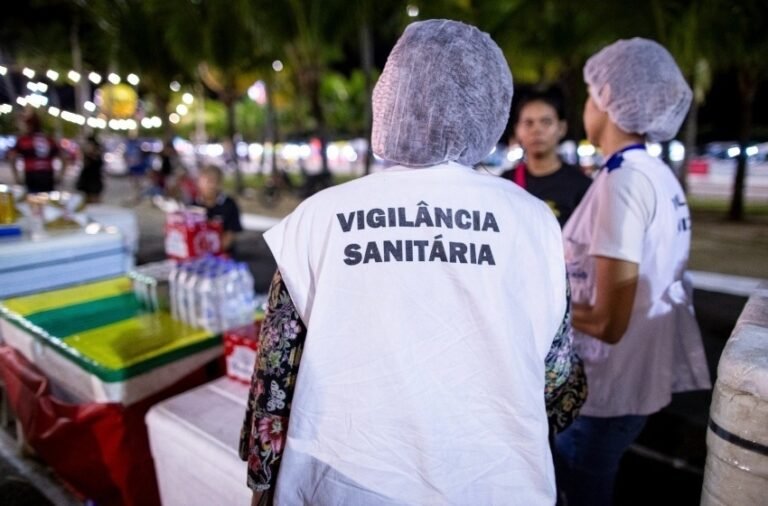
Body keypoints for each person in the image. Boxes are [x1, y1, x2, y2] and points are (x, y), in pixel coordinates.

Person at [239, 19, 584, 505]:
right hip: (494, 483)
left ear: (390, 99)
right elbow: (557, 379)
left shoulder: (319, 217)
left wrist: (261, 484)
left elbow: (275, 377)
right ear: (491, 107)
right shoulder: (532, 219)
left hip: (343, 484)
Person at [555, 38, 711, 506]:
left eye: (591, 94)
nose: (587, 106)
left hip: (603, 393)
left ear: (608, 99)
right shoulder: (653, 174)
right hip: (631, 384)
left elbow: (609, 321)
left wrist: (537, 305)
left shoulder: (624, 180)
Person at [501, 90, 592, 227]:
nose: (536, 130)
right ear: (517, 130)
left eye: (546, 122)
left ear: (562, 128)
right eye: (528, 123)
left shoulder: (581, 186)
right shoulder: (505, 183)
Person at [8, 111, 62, 193]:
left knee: (32, 199)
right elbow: (64, 157)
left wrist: (17, 177)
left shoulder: (24, 140)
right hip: (48, 177)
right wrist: (60, 176)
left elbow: (12, 157)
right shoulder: (49, 139)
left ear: (29, 125)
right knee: (47, 199)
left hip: (32, 177)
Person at [194, 165, 242, 255]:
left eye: (214, 181)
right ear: (199, 182)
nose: (211, 186)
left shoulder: (230, 204)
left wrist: (212, 254)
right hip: (196, 255)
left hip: (222, 256)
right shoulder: (193, 205)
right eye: (207, 181)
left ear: (220, 183)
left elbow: (230, 236)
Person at [76, 135, 104, 203]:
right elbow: (85, 164)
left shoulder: (97, 153)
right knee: (88, 198)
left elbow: (99, 164)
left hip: (95, 178)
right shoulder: (87, 154)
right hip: (87, 178)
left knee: (94, 198)